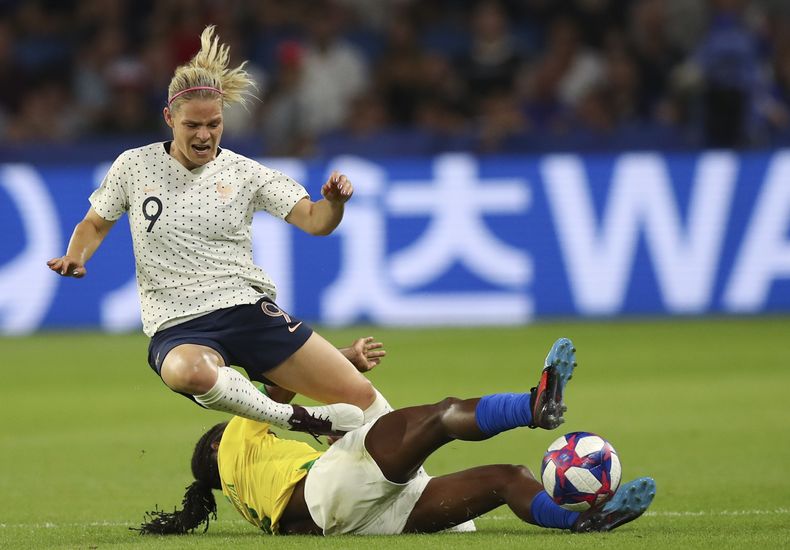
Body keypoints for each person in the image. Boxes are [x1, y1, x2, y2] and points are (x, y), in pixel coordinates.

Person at [46, 25, 389, 437]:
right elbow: (94, 223)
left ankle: (415, 488)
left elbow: (315, 222)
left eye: (213, 124)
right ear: (169, 118)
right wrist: (76, 256)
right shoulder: (134, 166)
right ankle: (298, 417)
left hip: (247, 309)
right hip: (178, 324)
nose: (204, 135)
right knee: (185, 371)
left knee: (365, 400)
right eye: (192, 125)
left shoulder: (245, 173)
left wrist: (334, 203)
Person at [135, 338, 657, 536]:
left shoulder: (246, 488)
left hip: (352, 519)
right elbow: (275, 385)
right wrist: (345, 359)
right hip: (330, 492)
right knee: (443, 416)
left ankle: (581, 520)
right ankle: (533, 406)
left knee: (508, 479)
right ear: (215, 444)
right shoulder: (232, 443)